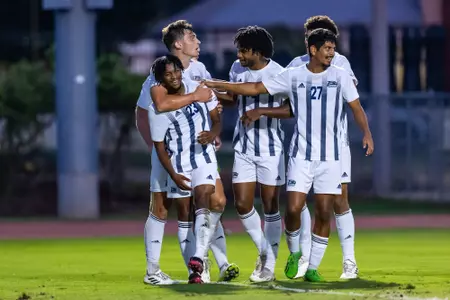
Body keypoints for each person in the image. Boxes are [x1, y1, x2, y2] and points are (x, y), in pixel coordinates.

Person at [203, 29, 374, 282]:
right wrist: (214, 88)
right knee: (280, 208)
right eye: (326, 48)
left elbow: (351, 107)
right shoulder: (287, 74)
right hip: (282, 152)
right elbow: (247, 90)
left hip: (306, 153)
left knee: (316, 210)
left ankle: (309, 265)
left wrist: (367, 133)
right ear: (313, 50)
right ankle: (284, 254)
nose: (331, 53)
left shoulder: (332, 75)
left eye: (332, 48)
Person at [136, 20, 238, 285]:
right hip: (168, 152)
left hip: (199, 152)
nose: (199, 42)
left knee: (216, 201)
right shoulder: (157, 75)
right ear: (178, 43)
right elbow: (154, 106)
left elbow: (211, 98)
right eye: (193, 37)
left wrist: (215, 126)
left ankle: (213, 262)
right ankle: (156, 270)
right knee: (162, 208)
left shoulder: (199, 69)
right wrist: (155, 147)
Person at [287, 15, 359, 279]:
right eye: (310, 36)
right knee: (298, 201)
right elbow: (290, 104)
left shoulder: (341, 65)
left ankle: (349, 261)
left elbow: (351, 99)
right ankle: (304, 255)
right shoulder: (296, 66)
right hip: (305, 147)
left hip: (336, 145)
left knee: (339, 200)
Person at [148, 54, 223, 284]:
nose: (174, 77)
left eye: (176, 71)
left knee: (205, 198)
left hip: (204, 157)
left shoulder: (196, 86)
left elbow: (216, 117)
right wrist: (173, 175)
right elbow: (160, 147)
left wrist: (213, 133)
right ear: (160, 79)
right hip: (179, 164)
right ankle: (192, 273)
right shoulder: (158, 107)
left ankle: (199, 258)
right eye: (168, 75)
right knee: (182, 216)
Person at [223, 25, 285, 282]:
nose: (238, 55)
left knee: (270, 205)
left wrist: (261, 111)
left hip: (271, 148)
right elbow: (233, 98)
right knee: (242, 204)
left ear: (257, 52)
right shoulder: (237, 70)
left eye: (243, 50)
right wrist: (206, 96)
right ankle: (265, 255)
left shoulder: (279, 73)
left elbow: (291, 110)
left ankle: (268, 262)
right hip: (243, 146)